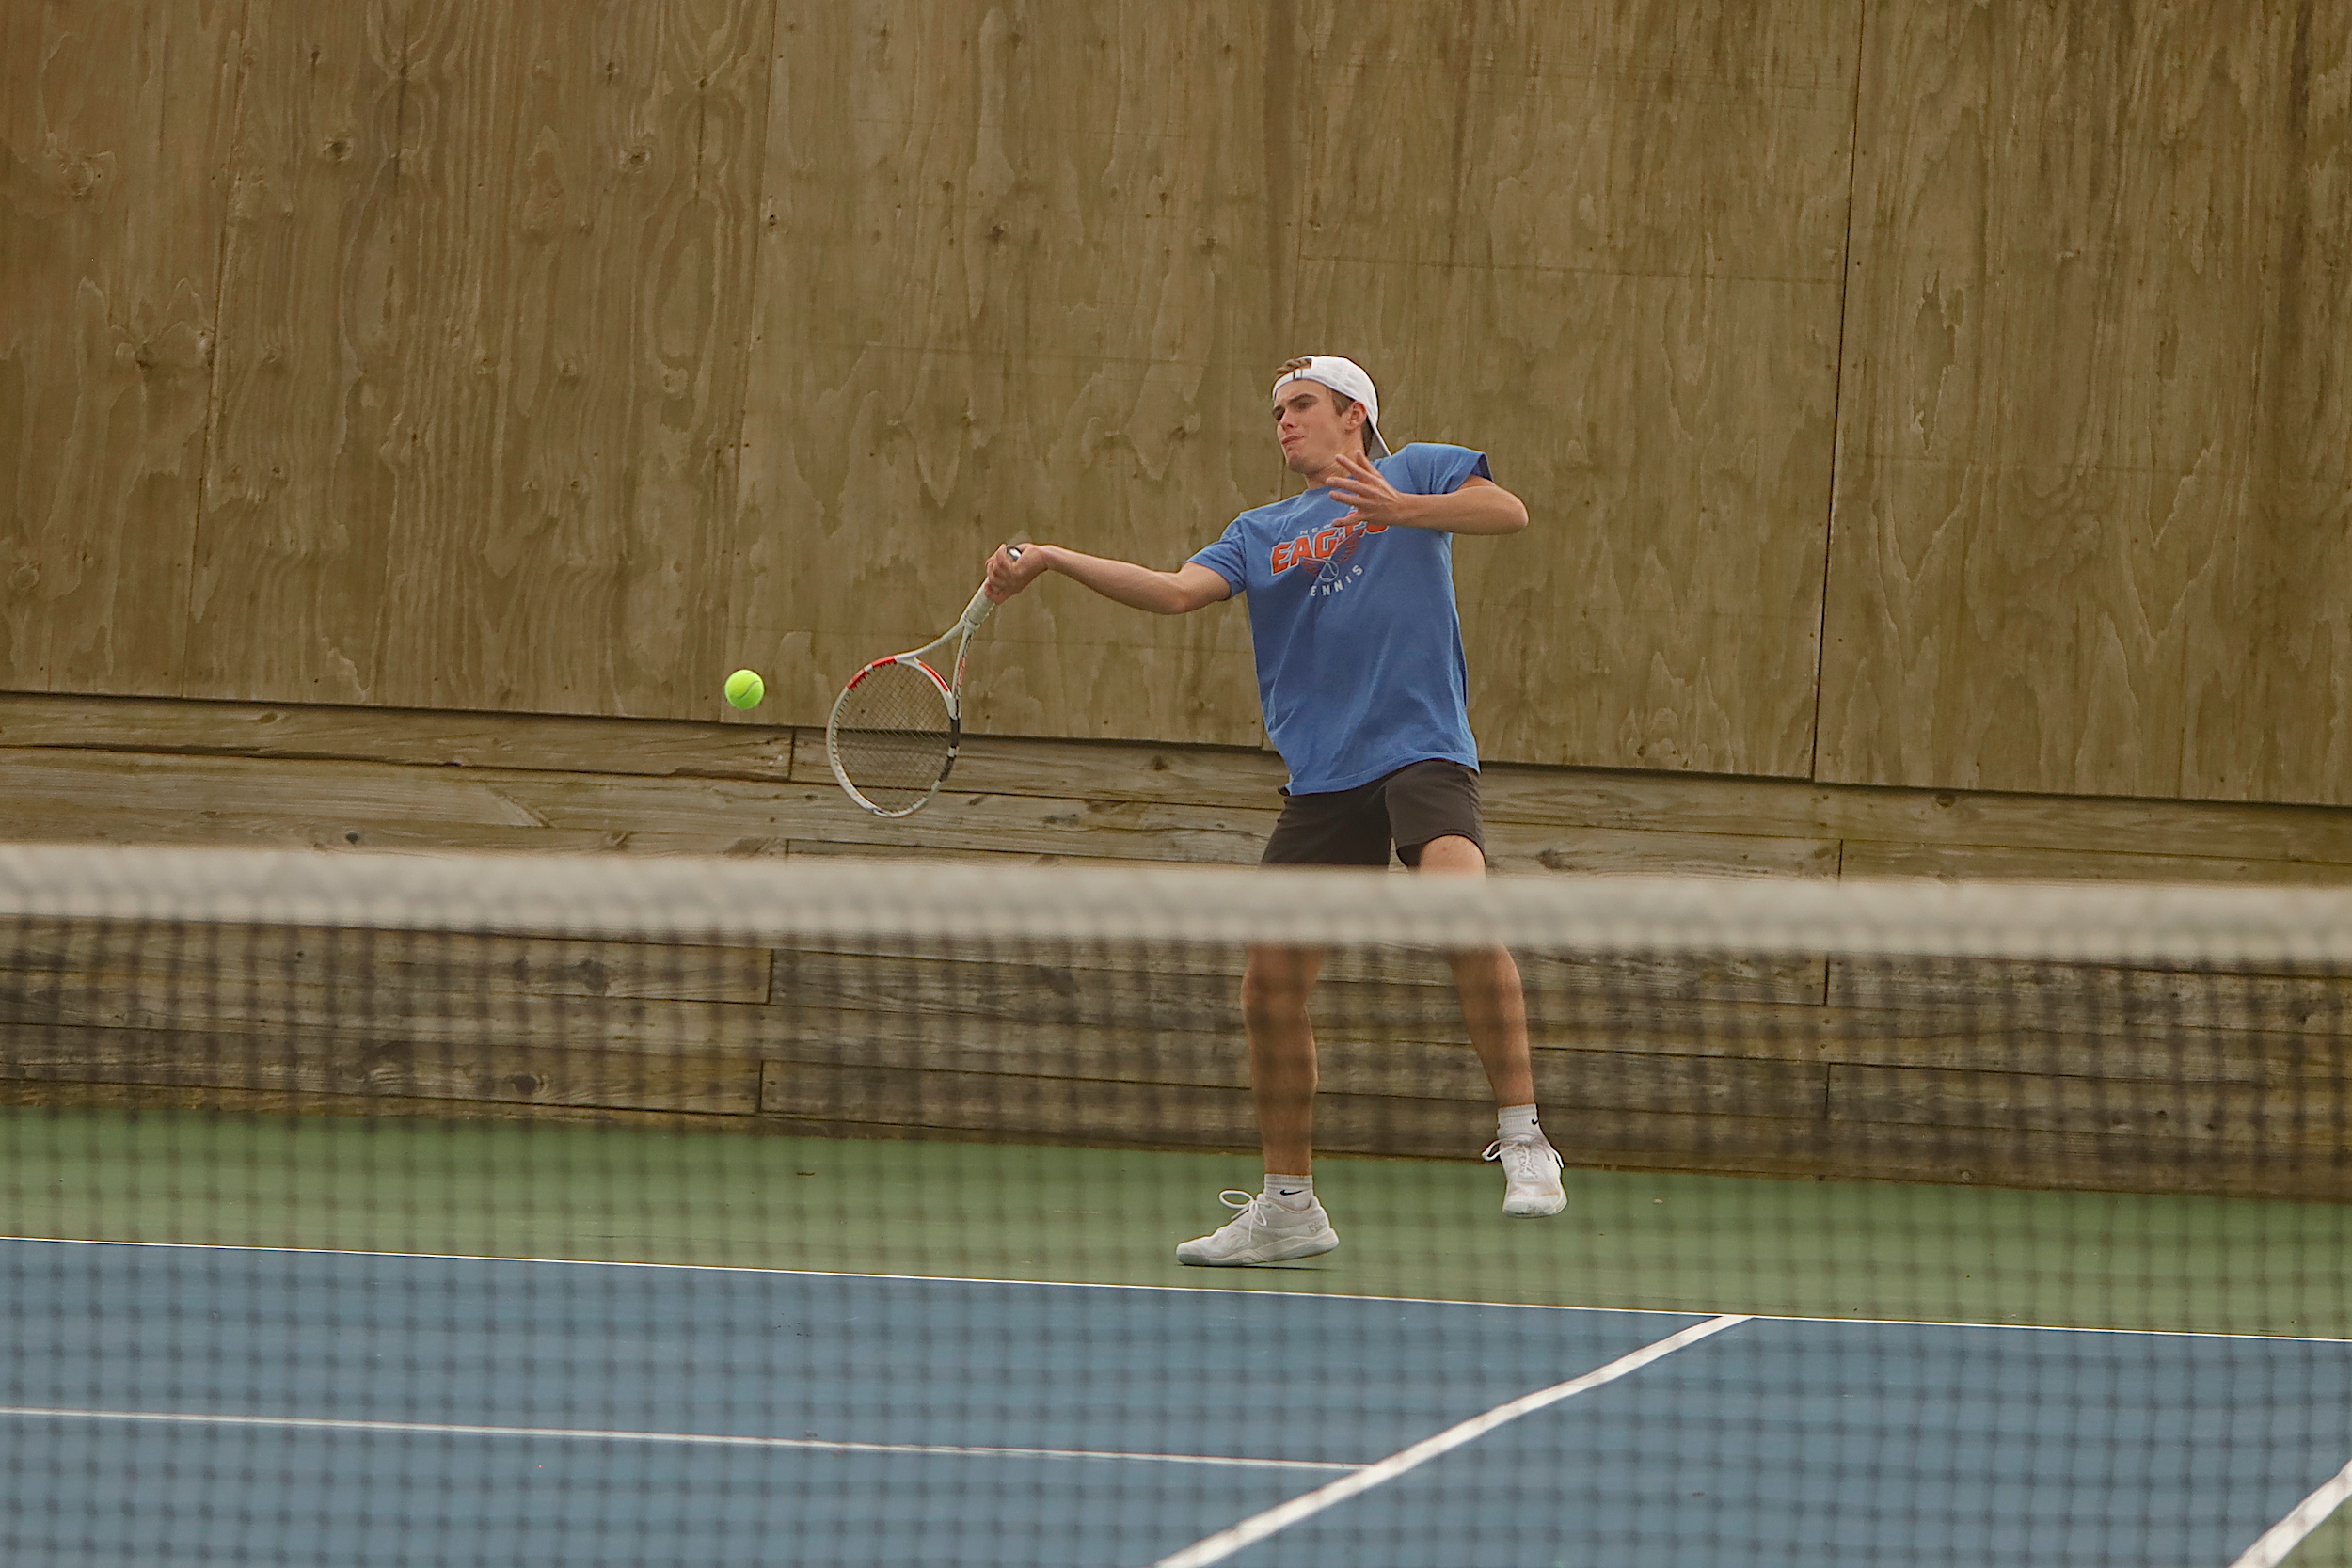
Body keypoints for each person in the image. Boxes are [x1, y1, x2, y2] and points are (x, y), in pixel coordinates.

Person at [983, 356, 1564, 1266]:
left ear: (1354, 414)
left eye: (1302, 405)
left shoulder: (1418, 470)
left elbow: (1509, 511)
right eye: (1278, 411)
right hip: (1324, 777)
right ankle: (1289, 1205)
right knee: (1268, 989)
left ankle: (1524, 1137)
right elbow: (1174, 591)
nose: (1284, 422)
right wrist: (1053, 558)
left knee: (1461, 911)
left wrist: (1402, 509)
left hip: (1419, 748)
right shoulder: (1259, 532)